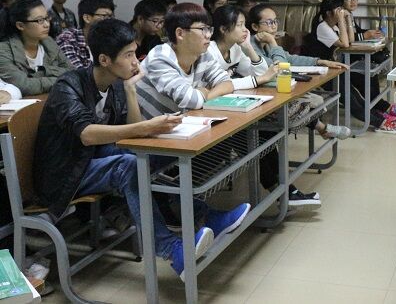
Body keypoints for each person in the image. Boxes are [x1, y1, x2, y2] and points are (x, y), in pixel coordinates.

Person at [33, 18, 250, 279]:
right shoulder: (69, 85)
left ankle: (206, 216)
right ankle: (172, 250)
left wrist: (130, 91)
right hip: (64, 174)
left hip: (90, 159)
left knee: (152, 155)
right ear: (104, 59)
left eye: (135, 53)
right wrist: (145, 127)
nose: (136, 62)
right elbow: (88, 135)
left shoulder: (116, 83)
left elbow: (134, 132)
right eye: (128, 55)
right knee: (129, 165)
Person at [247, 3, 353, 207]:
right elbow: (279, 67)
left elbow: (288, 59)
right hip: (256, 107)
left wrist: (320, 62)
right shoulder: (250, 45)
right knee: (267, 135)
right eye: (269, 22)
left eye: (275, 21)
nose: (274, 26)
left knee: (303, 104)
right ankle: (284, 191)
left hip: (266, 101)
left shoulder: (264, 42)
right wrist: (273, 42)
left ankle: (285, 191)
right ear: (254, 27)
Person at [135, 3, 257, 118]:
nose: (208, 35)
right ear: (180, 33)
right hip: (151, 130)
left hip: (184, 123)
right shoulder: (160, 57)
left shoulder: (202, 54)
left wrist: (205, 93)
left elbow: (227, 83)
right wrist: (206, 93)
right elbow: (191, 100)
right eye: (202, 29)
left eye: (209, 29)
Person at [303, 0, 396, 134]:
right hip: (319, 72)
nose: (341, 12)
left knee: (355, 95)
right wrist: (341, 20)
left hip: (332, 67)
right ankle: (380, 123)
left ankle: (378, 118)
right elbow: (345, 44)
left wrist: (348, 20)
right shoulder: (322, 27)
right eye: (338, 10)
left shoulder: (333, 26)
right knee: (350, 100)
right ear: (328, 13)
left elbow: (350, 40)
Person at [334, 0, 396, 121]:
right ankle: (381, 108)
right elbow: (346, 40)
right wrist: (364, 35)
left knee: (371, 74)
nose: (353, 1)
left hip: (352, 58)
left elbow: (356, 32)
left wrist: (371, 33)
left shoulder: (349, 15)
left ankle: (378, 106)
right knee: (364, 76)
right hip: (342, 61)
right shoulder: (339, 18)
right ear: (341, 1)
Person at [0, 0, 73, 95]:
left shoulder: (49, 42)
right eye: (40, 20)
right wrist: (60, 79)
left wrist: (43, 72)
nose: (47, 24)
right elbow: (24, 86)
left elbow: (72, 73)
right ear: (20, 25)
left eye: (47, 18)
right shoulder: (4, 50)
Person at [56, 0, 116, 68]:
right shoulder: (68, 38)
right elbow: (77, 72)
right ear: (87, 18)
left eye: (110, 16)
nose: (109, 21)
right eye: (104, 16)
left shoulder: (109, 38)